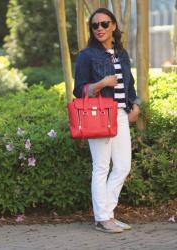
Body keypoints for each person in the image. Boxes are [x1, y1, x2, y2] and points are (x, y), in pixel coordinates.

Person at [73, 8, 141, 233]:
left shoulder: (121, 53)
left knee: (122, 166)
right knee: (101, 167)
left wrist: (135, 105)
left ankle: (106, 214)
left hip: (120, 114)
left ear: (113, 26)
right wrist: (101, 83)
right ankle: (103, 218)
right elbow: (78, 90)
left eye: (104, 24)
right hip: (100, 116)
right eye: (95, 25)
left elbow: (129, 84)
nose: (100, 29)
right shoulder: (87, 55)